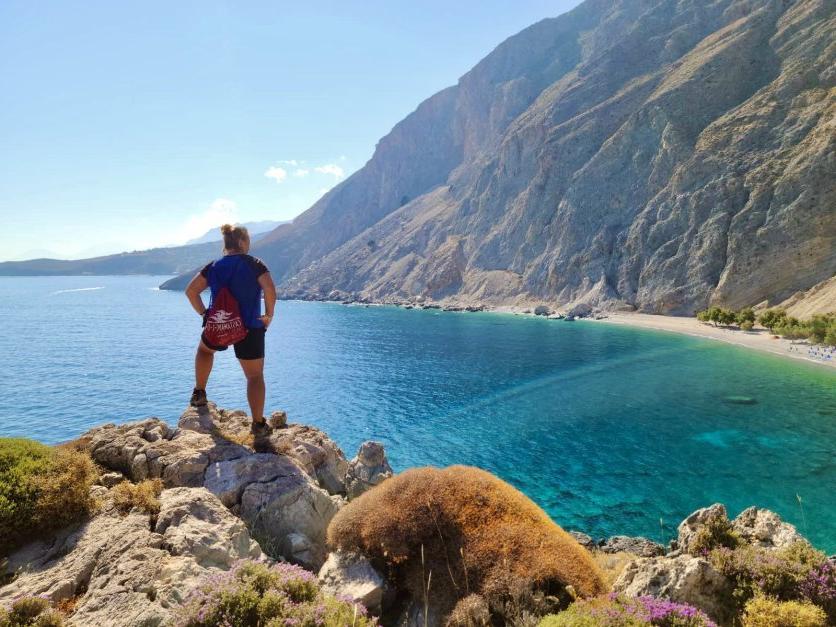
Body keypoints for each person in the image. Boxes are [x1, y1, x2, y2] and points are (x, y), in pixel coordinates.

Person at [184, 224, 277, 435]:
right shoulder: (254, 264)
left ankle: (199, 393)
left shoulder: (214, 266)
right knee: (254, 376)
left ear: (225, 244)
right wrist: (268, 315)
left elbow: (191, 291)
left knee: (205, 350)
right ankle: (258, 425)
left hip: (219, 323)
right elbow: (270, 289)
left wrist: (204, 314)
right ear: (243, 242)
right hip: (250, 327)